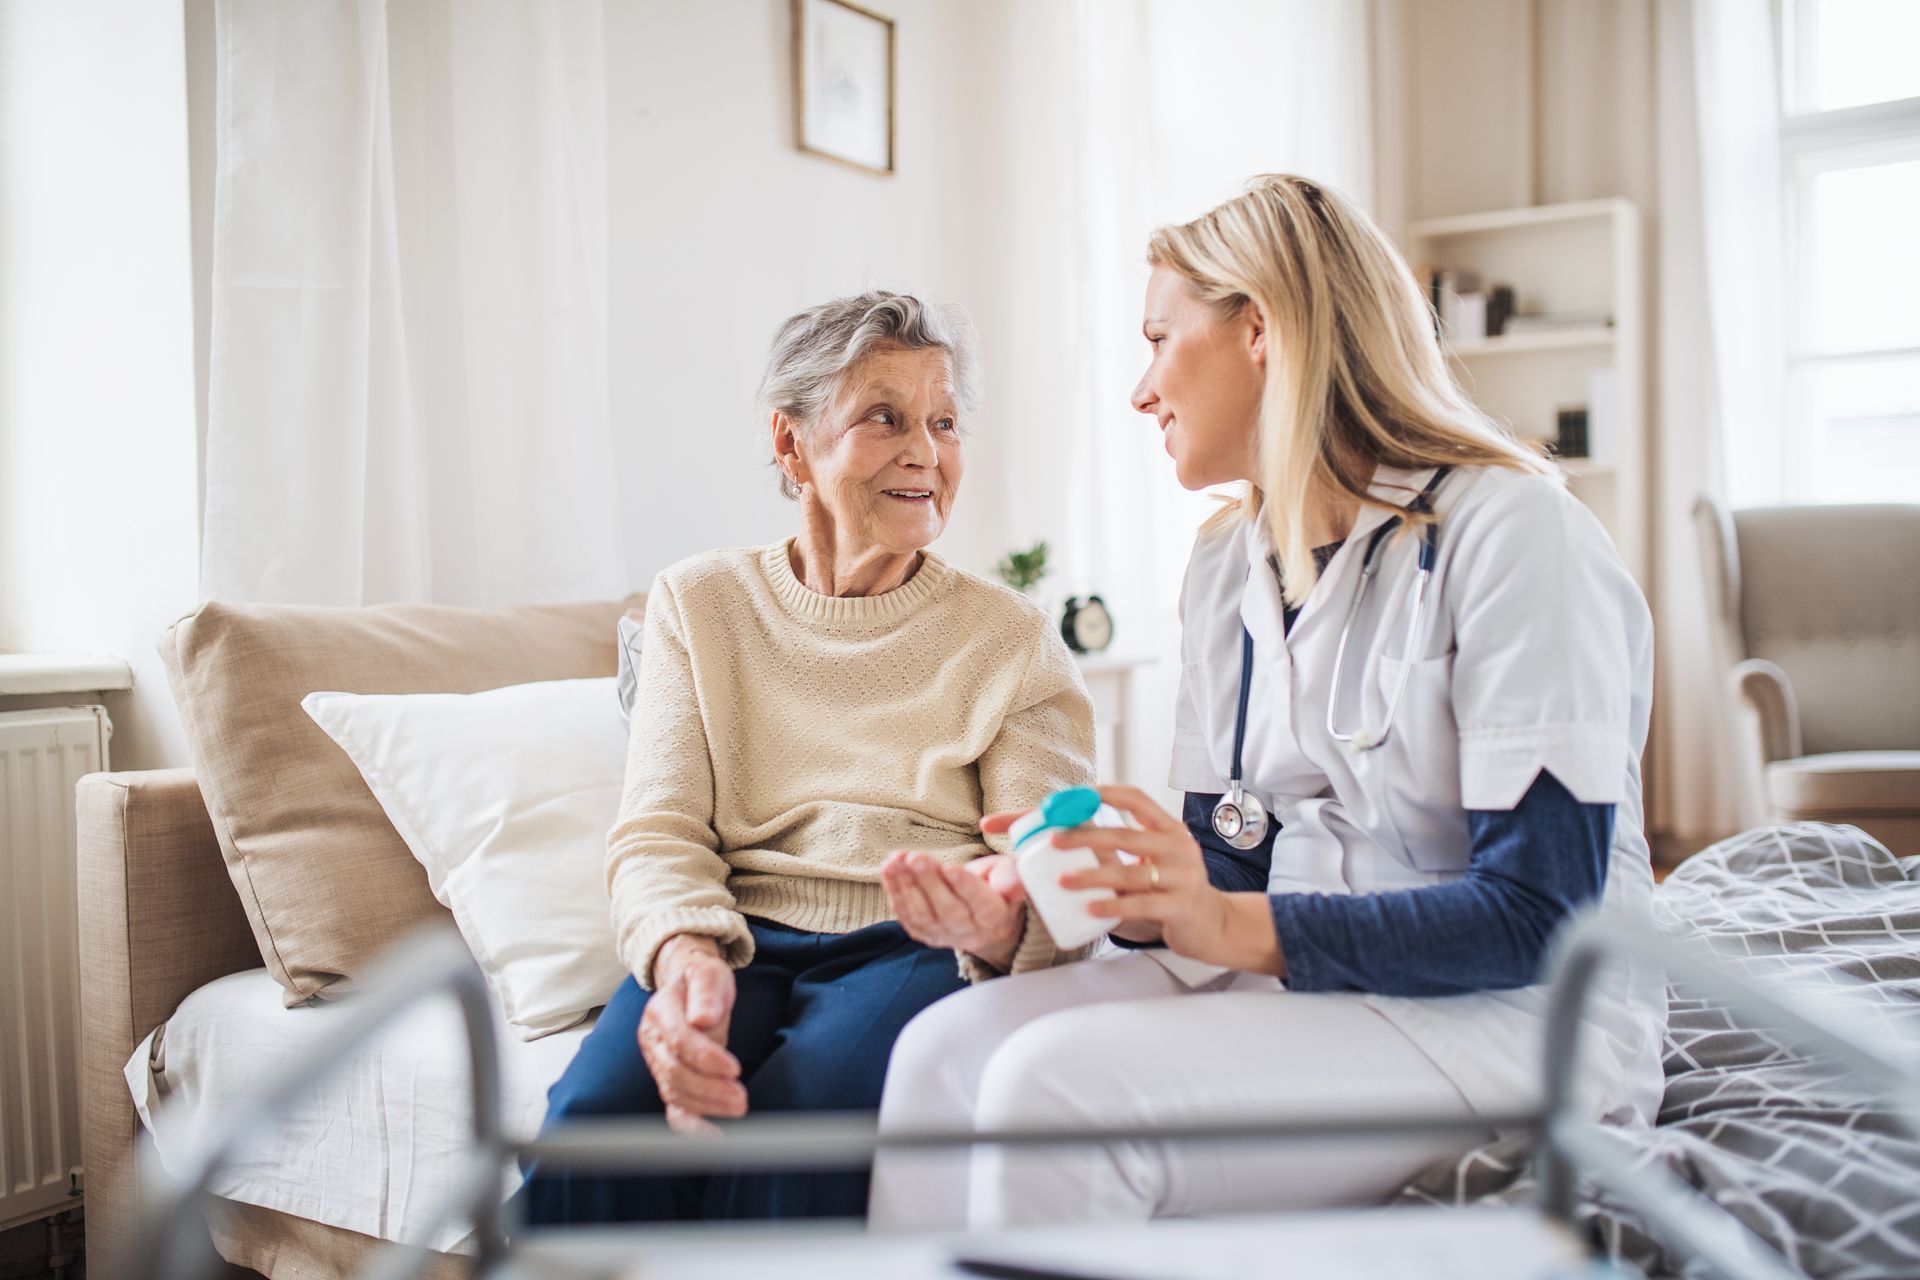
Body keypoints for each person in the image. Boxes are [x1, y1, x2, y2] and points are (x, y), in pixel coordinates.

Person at [868, 176, 1666, 1229]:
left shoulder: (1516, 535)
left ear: (1260, 327)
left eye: (1159, 338)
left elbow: (1540, 917)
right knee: (941, 1049)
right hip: (1299, 966)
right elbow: (1231, 857)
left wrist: (1224, 918)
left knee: (1056, 1094)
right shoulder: (1223, 569)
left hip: (1503, 1012)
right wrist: (1063, 889)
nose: (1141, 388)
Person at [517, 291, 1095, 1224]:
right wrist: (681, 958)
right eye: (884, 417)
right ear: (790, 445)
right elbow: (658, 829)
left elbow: (1057, 871)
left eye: (943, 423)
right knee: (595, 1123)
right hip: (736, 931)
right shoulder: (700, 603)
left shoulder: (1012, 637)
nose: (925, 451)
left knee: (803, 1124)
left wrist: (999, 922)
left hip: (916, 943)